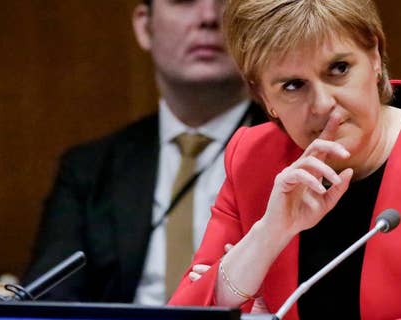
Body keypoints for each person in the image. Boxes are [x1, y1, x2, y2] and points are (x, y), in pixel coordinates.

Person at [168, 1, 401, 319]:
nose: (322, 104)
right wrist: (268, 234)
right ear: (264, 98)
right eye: (292, 85)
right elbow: (185, 315)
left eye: (339, 68)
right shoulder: (252, 157)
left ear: (375, 57)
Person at [23, 0, 266, 304]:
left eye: (225, 3)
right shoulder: (88, 168)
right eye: (184, 1)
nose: (207, 17)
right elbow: (47, 299)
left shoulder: (299, 153)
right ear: (144, 25)